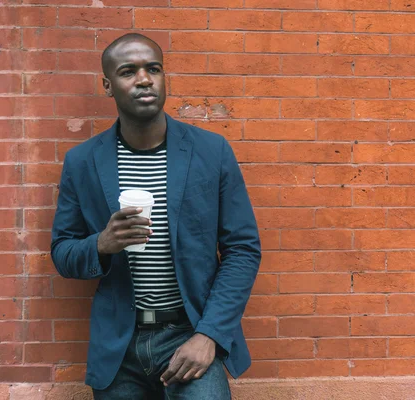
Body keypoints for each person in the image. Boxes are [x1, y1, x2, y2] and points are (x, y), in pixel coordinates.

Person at [50, 33, 261, 399]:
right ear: (108, 85)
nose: (144, 79)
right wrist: (101, 244)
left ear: (164, 78)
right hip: (119, 344)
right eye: (128, 71)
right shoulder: (82, 161)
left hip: (189, 333)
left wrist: (209, 335)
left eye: (154, 69)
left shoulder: (210, 151)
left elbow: (242, 250)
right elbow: (63, 252)